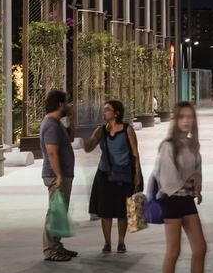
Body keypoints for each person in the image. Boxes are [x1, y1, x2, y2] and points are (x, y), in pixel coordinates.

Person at [155, 101, 213, 273]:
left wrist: (196, 186)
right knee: (173, 251)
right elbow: (167, 181)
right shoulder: (168, 146)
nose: (186, 121)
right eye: (182, 117)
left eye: (190, 117)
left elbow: (196, 170)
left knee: (200, 248)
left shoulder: (193, 145)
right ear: (175, 120)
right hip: (171, 200)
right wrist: (188, 184)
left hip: (186, 200)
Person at [82, 99, 142, 255]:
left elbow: (135, 154)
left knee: (122, 211)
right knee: (105, 211)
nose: (104, 112)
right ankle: (107, 243)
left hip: (124, 174)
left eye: (108, 109)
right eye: (104, 109)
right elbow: (88, 148)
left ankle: (121, 242)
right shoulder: (101, 130)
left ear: (116, 113)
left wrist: (137, 174)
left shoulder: (127, 129)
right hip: (105, 174)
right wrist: (84, 139)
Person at [40, 89, 78, 261]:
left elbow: (70, 139)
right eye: (67, 102)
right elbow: (52, 152)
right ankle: (50, 249)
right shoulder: (51, 125)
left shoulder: (56, 123)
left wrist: (71, 120)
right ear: (61, 104)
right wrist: (59, 176)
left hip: (62, 174)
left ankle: (56, 245)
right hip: (56, 175)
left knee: (59, 212)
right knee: (55, 212)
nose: (69, 105)